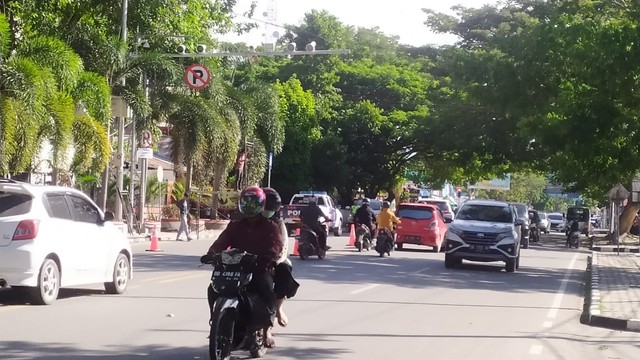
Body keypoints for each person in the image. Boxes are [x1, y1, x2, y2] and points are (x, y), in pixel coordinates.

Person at [203, 186, 282, 348]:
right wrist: (211, 254)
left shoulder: (270, 226)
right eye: (246, 203)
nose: (249, 207)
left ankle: (266, 329)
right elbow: (222, 242)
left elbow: (275, 247)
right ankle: (216, 322)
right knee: (213, 289)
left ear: (260, 205)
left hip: (258, 267)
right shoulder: (235, 225)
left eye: (253, 204)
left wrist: (262, 260)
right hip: (235, 267)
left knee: (266, 289)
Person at [261, 187, 300, 328]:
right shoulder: (242, 221)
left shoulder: (277, 224)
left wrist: (275, 260)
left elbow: (283, 246)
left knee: (284, 269)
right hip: (245, 258)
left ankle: (278, 308)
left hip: (269, 260)